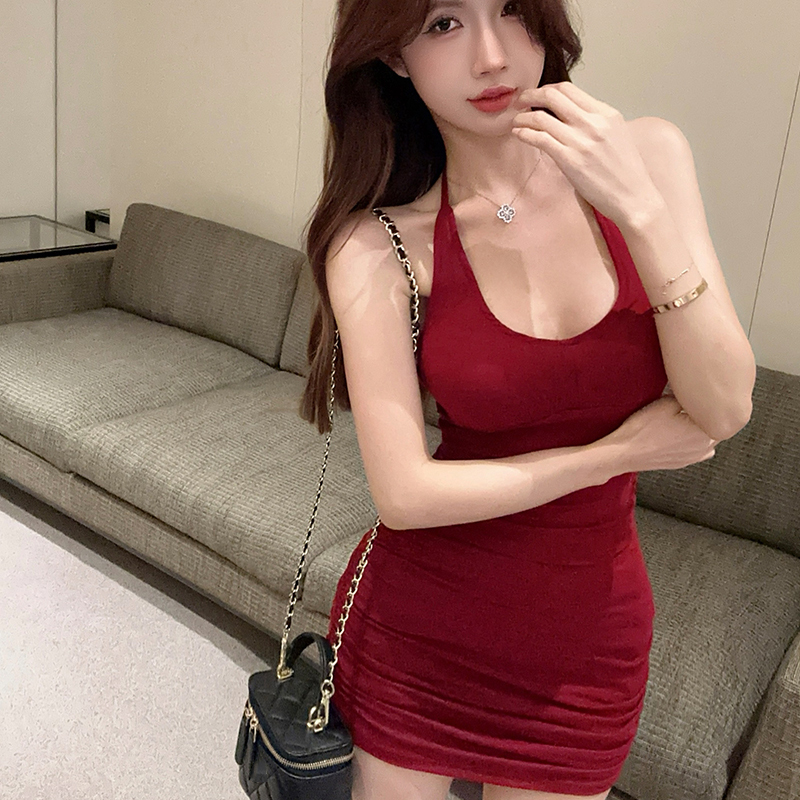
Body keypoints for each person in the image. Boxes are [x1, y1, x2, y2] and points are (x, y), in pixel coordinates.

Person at [298, 1, 757, 798]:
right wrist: (615, 455)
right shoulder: (380, 242)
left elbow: (723, 409)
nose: (491, 56)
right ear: (395, 56)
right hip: (420, 632)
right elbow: (406, 495)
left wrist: (641, 212)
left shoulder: (649, 156)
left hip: (586, 642)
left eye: (511, 8)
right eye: (443, 23)